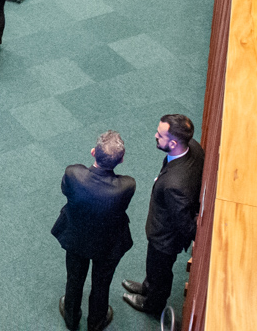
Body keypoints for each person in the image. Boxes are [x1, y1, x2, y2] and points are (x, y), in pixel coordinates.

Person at [122, 114, 205, 317]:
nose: (155, 136)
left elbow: (186, 225)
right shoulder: (192, 146)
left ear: (174, 142)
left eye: (160, 135)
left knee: (160, 272)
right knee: (153, 268)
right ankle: (146, 287)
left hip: (164, 239)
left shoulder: (174, 186)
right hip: (163, 229)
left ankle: (152, 304)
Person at [53, 131, 136, 331]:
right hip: (108, 244)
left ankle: (71, 318)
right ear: (121, 160)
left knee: (74, 278)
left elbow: (65, 191)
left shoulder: (73, 174)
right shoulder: (127, 185)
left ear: (93, 152)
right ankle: (96, 323)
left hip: (76, 238)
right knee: (101, 283)